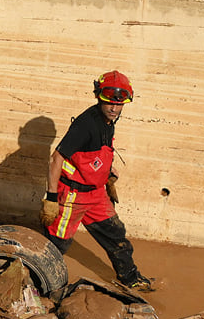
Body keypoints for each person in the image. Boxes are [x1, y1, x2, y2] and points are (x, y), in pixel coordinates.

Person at [41, 71, 155, 292]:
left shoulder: (109, 120)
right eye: (108, 102)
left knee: (116, 235)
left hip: (96, 195)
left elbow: (98, 152)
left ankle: (130, 279)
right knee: (56, 245)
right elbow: (56, 159)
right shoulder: (85, 125)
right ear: (98, 97)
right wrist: (52, 199)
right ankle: (37, 285)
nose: (113, 108)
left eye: (118, 103)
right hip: (72, 196)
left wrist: (107, 174)